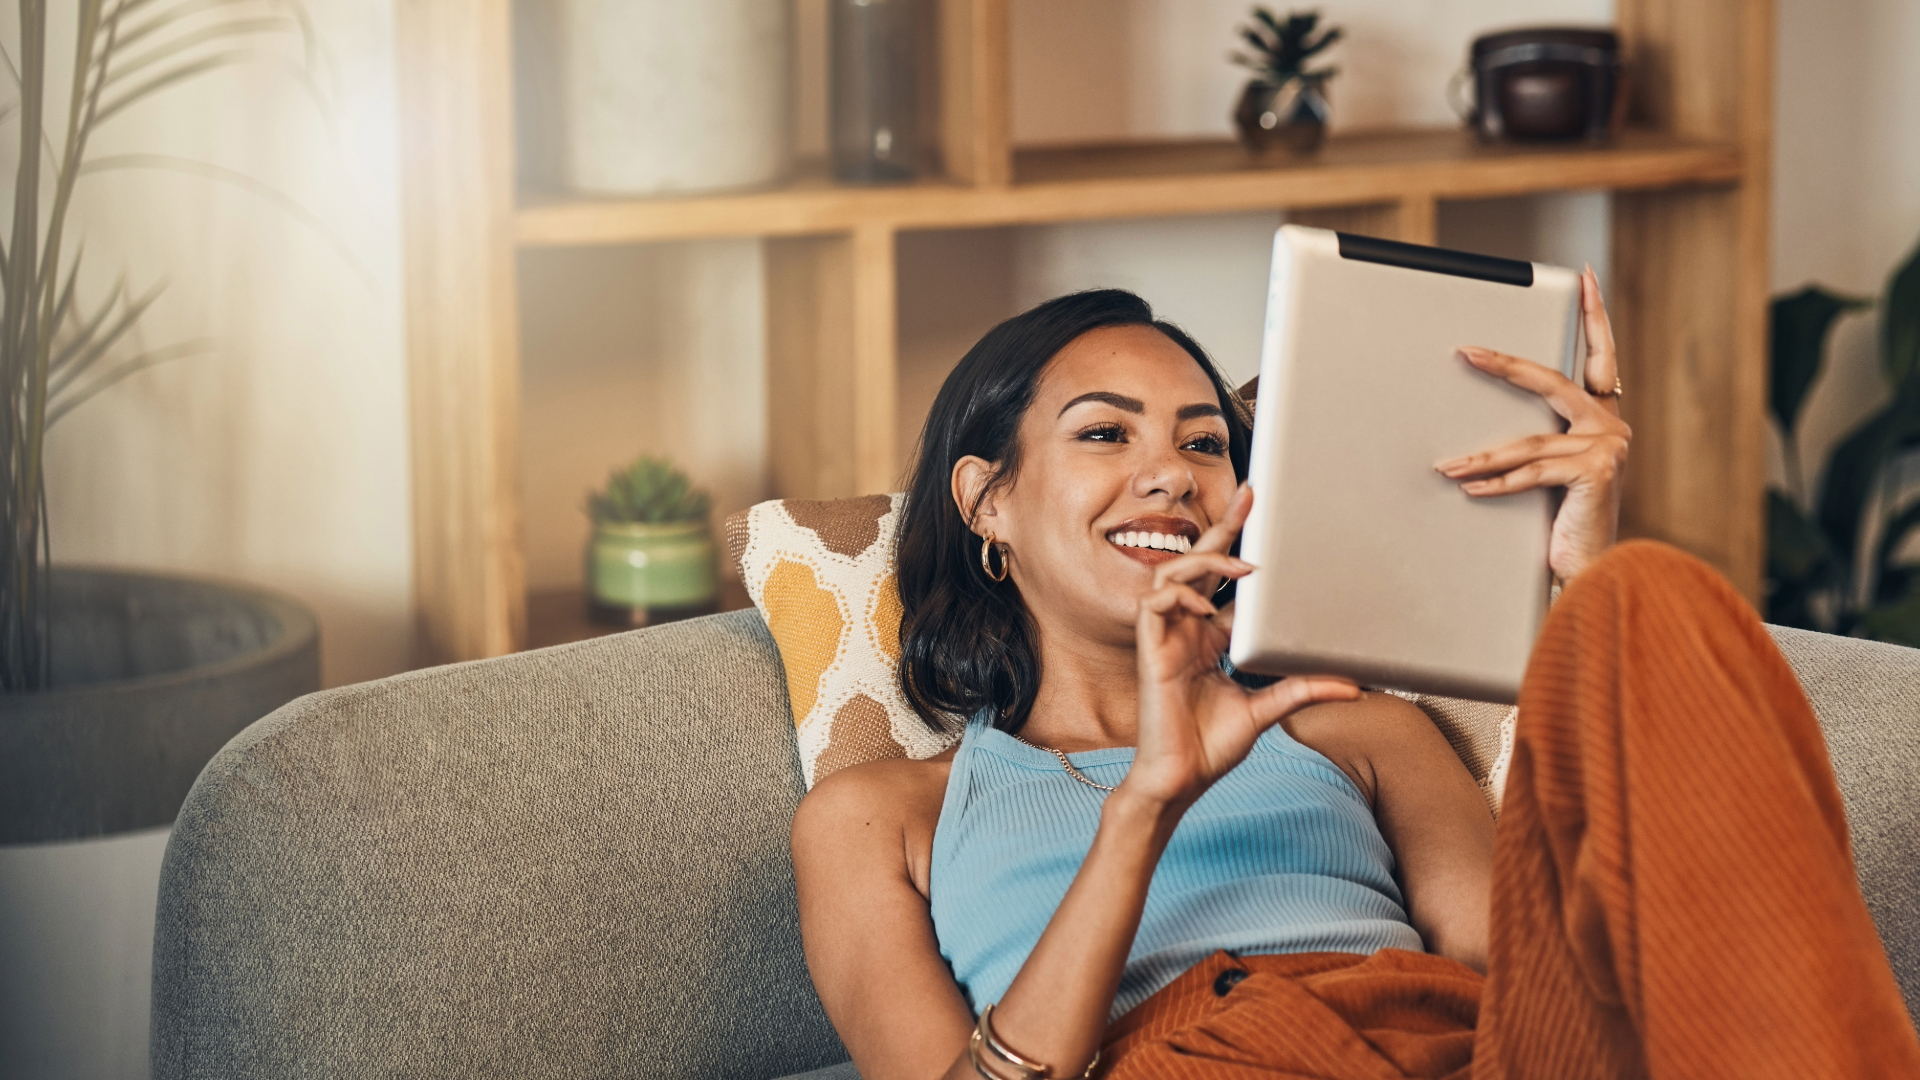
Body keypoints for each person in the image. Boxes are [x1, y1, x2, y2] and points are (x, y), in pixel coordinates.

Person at [789, 284, 1920, 1080]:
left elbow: (1538, 982)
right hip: (1186, 1058)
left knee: (1652, 596)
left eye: (1202, 445)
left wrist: (1579, 583)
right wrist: (1150, 800)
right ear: (986, 500)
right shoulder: (883, 817)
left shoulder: (1356, 729)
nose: (1168, 479)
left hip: (1441, 1040)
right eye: (1103, 435)